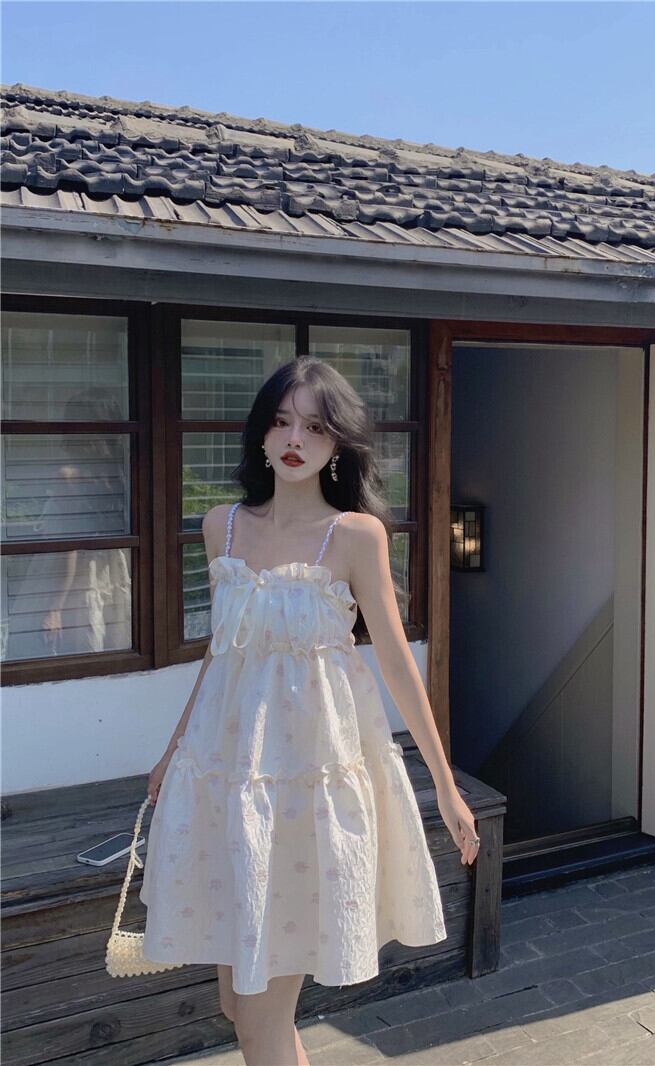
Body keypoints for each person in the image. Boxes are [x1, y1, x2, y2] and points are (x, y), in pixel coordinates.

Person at [138, 356, 479, 1066]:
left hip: (309, 786)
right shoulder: (223, 527)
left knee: (258, 1019)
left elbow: (395, 662)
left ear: (338, 444)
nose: (295, 439)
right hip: (229, 778)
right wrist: (172, 751)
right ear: (261, 434)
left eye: (316, 427)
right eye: (282, 421)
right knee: (239, 1006)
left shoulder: (354, 535)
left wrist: (444, 785)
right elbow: (222, 652)